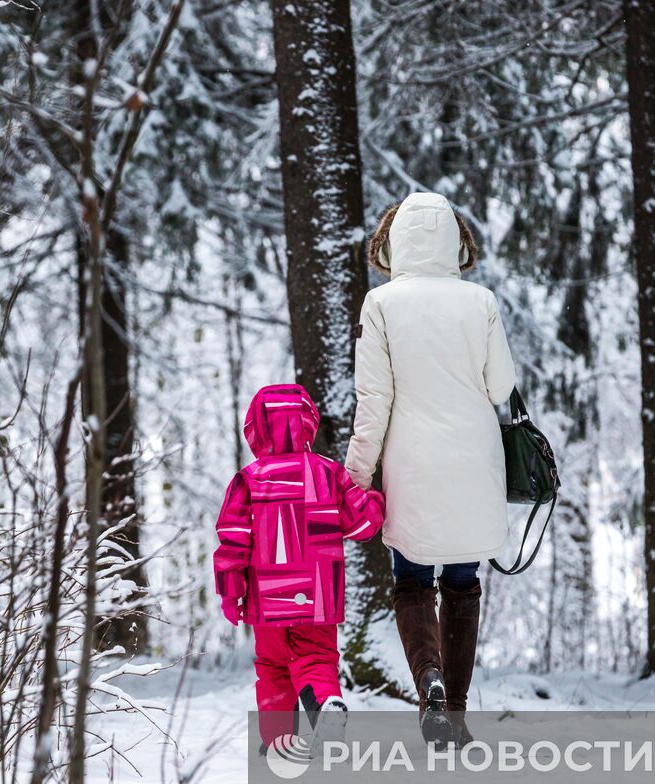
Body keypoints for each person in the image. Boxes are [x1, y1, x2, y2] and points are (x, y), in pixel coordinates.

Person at [345, 192, 516, 744]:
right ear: (455, 240)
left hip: (409, 464)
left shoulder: (382, 305)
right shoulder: (480, 301)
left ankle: (430, 681)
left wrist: (357, 475)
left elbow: (374, 398)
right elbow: (500, 387)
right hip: (472, 460)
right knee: (463, 585)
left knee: (412, 581)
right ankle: (456, 715)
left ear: (393, 243)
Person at [214, 384, 385, 751]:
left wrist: (232, 593)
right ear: (308, 423)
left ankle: (279, 740)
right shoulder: (329, 474)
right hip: (318, 594)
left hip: (267, 596)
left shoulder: (249, 480)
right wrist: (376, 499)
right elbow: (361, 525)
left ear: (255, 429)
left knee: (273, 666)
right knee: (317, 657)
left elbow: (233, 541)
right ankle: (324, 703)